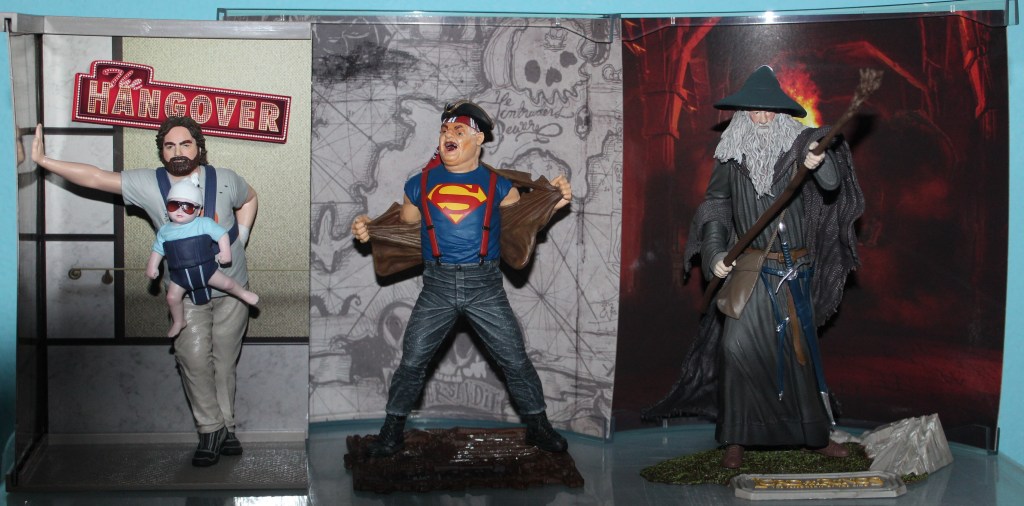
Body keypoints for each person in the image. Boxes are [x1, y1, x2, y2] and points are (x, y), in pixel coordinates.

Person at [31, 116, 259, 467]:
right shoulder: (149, 183)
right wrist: (45, 160)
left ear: (199, 147)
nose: (178, 151)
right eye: (170, 145)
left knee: (225, 361)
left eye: (185, 143)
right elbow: (96, 177)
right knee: (193, 358)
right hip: (185, 291)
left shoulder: (225, 178)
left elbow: (250, 197)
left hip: (232, 288)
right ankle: (209, 428)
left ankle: (226, 428)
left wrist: (240, 237)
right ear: (161, 151)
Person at [350, 100, 573, 457]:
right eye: (444, 130)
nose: (448, 136)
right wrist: (369, 229)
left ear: (478, 139)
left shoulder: (499, 185)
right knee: (411, 362)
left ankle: (538, 426)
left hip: (485, 288)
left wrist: (555, 201)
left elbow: (523, 220)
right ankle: (391, 432)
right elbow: (402, 226)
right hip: (437, 288)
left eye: (458, 130)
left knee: (515, 360)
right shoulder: (419, 184)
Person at [685, 66, 864, 468]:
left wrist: (818, 161)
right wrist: (714, 254)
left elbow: (831, 184)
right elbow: (716, 206)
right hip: (751, 268)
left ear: (781, 112)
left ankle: (813, 436)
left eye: (769, 109)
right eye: (755, 109)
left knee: (799, 354)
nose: (762, 116)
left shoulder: (799, 144)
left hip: (793, 268)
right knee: (735, 348)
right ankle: (737, 435)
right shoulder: (731, 155)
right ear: (743, 112)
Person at [146, 176, 259, 338]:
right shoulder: (165, 231)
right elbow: (157, 250)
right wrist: (152, 267)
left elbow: (222, 235)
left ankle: (243, 294)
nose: (179, 211)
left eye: (187, 207)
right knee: (172, 298)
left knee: (227, 283)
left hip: (206, 270)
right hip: (179, 276)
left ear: (198, 210)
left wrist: (225, 253)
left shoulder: (203, 223)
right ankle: (179, 321)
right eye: (173, 205)